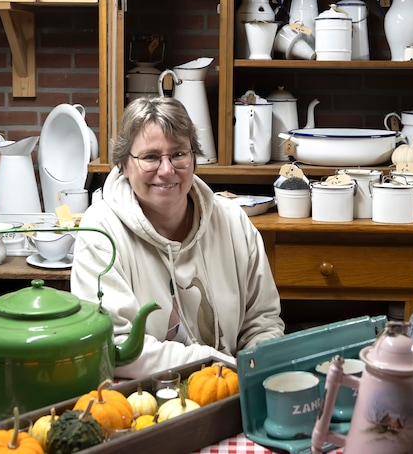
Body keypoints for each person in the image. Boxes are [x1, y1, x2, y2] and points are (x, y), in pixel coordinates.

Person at [69, 96, 285, 378]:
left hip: (231, 386)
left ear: (194, 157)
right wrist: (214, 362)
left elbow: (263, 321)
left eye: (179, 154)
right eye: (150, 157)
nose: (167, 170)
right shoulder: (100, 232)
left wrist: (254, 370)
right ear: (123, 164)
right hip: (143, 397)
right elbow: (114, 346)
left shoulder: (233, 221)